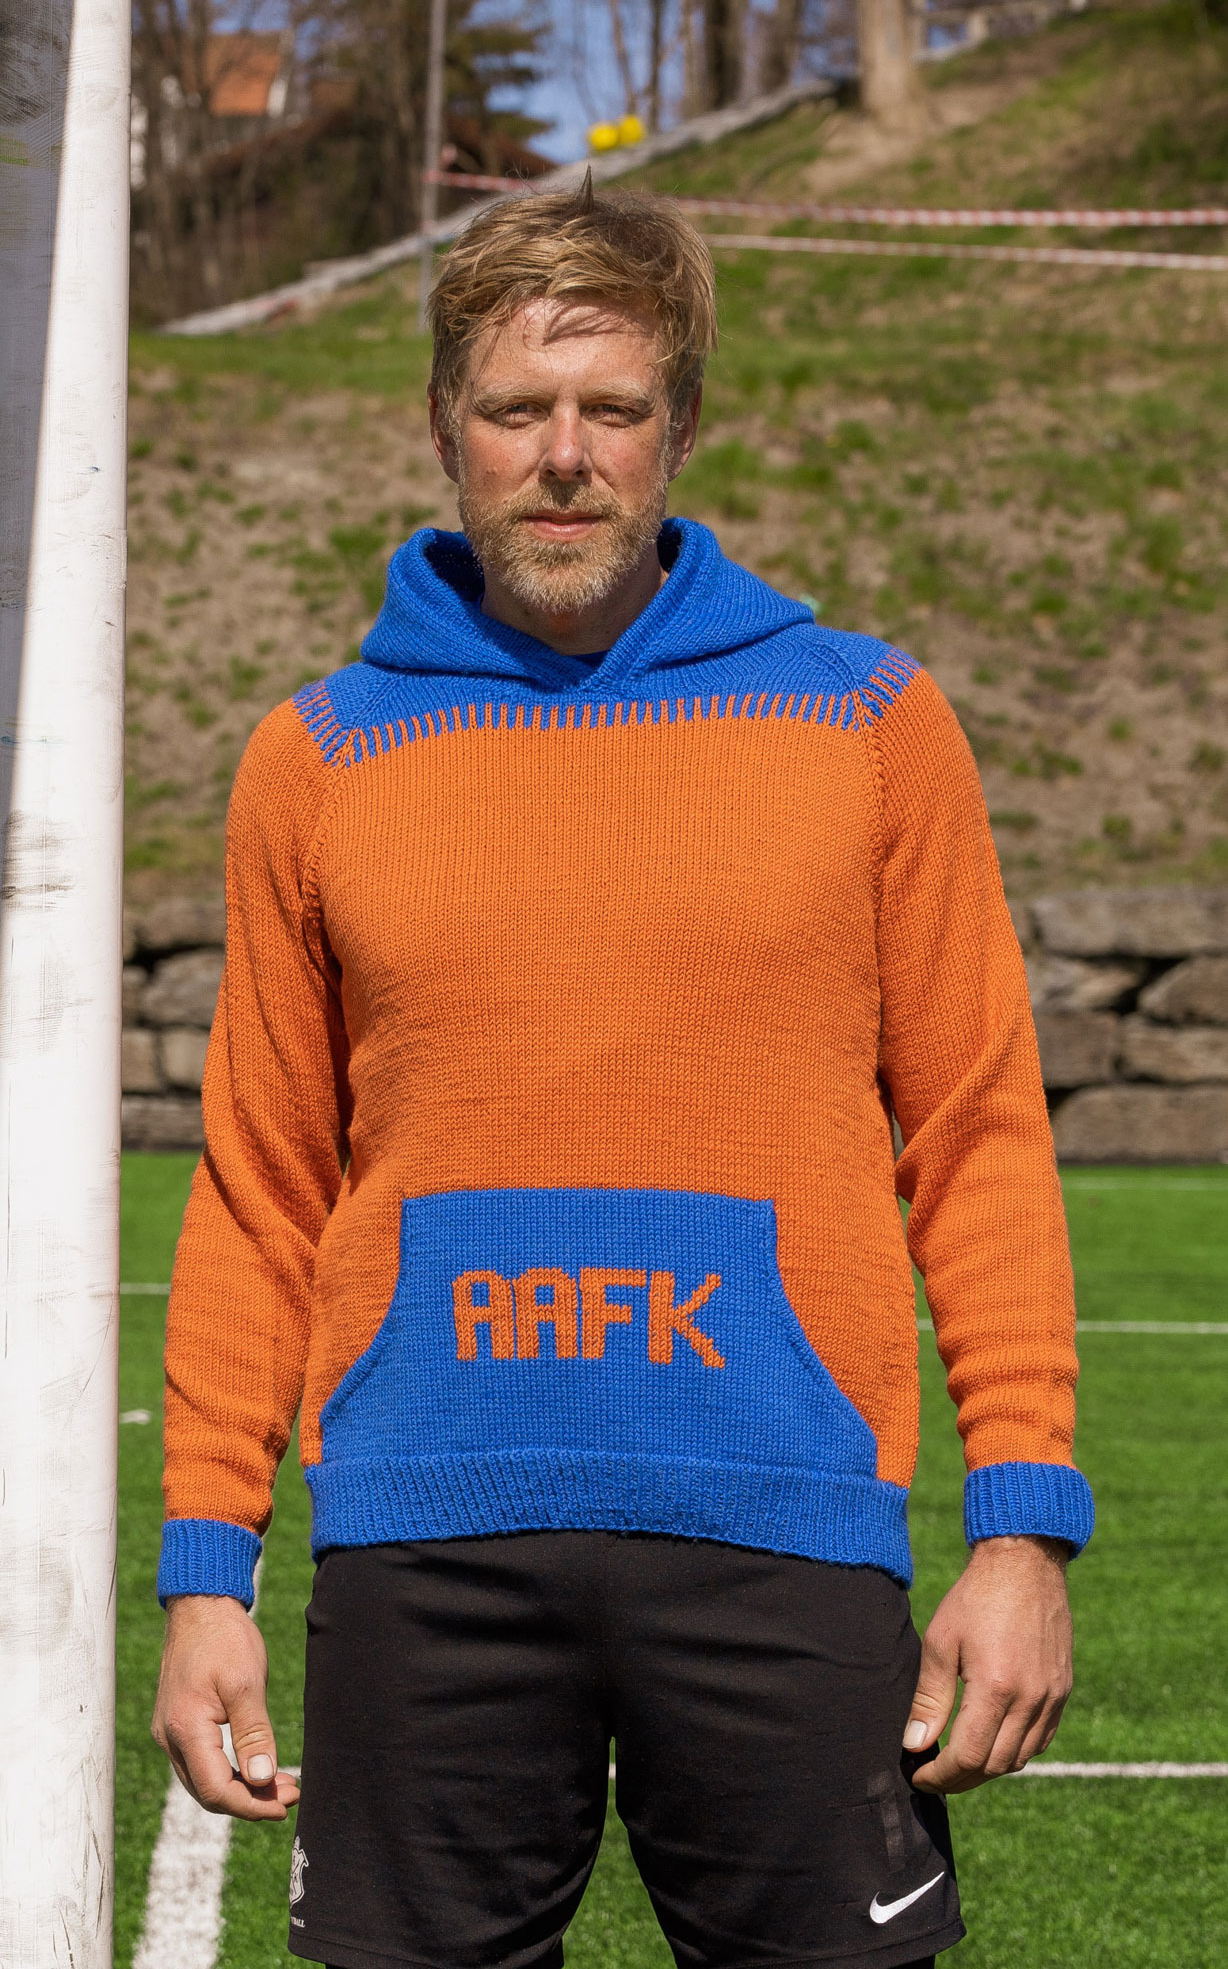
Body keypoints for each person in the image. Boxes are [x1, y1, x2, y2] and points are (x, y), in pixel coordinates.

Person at [151, 179, 1093, 1969]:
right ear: (445, 426)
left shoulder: (868, 723)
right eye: (517, 408)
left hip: (783, 1530)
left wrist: (1023, 1532)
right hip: (425, 1552)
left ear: (682, 427)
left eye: (613, 408)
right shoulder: (318, 759)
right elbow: (260, 1185)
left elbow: (979, 1136)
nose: (565, 457)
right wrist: (207, 1568)